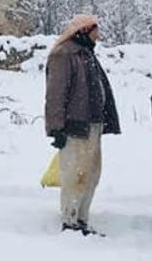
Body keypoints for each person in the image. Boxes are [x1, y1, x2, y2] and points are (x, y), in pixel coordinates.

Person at [44, 14, 121, 235]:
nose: (98, 35)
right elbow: (56, 94)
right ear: (84, 31)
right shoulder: (63, 54)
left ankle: (82, 219)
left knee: (91, 174)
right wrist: (56, 128)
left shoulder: (86, 53)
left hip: (92, 124)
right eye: (95, 30)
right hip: (74, 126)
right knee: (75, 175)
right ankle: (70, 221)